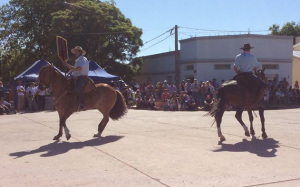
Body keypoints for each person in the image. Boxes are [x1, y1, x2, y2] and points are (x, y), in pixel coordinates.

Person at [62, 46, 89, 111]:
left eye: (76, 51)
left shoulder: (83, 59)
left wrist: (72, 68)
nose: (75, 52)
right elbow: (73, 68)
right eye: (75, 51)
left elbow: (80, 68)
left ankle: (82, 104)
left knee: (77, 88)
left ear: (80, 52)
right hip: (76, 78)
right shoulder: (78, 60)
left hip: (82, 78)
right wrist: (66, 64)